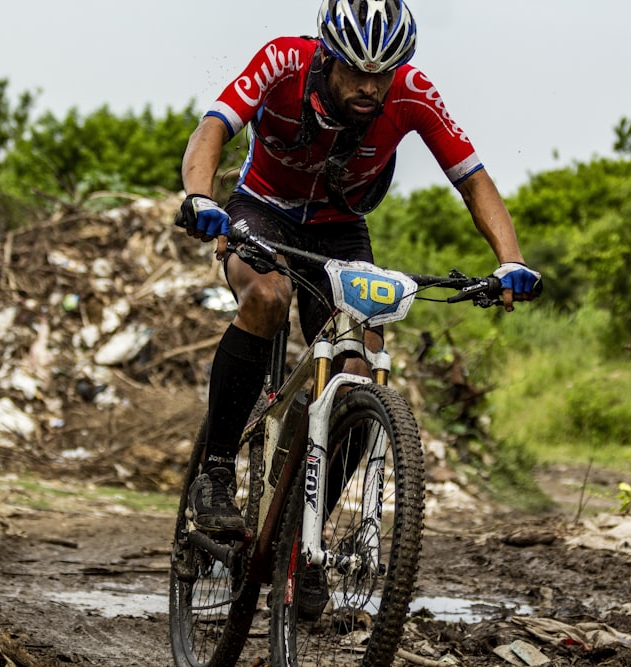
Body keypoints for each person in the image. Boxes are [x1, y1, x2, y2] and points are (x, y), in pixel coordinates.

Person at [176, 0, 541, 538]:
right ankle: (216, 473)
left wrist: (511, 260)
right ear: (327, 55)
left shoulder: (413, 93)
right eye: (356, 71)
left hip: (339, 226)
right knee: (267, 299)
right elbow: (211, 129)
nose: (370, 87)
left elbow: (473, 179)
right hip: (261, 208)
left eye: (383, 74)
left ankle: (301, 539)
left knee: (358, 373)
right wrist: (201, 198)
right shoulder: (282, 61)